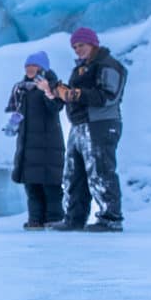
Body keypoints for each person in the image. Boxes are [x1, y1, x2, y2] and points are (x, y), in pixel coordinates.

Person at [48, 27, 128, 232]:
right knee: (75, 174)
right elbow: (81, 93)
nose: (77, 50)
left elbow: (107, 96)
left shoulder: (108, 65)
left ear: (93, 43)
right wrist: (60, 91)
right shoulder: (82, 68)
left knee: (101, 170)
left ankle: (111, 218)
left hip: (100, 124)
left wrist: (73, 94)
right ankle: (74, 217)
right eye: (74, 47)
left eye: (81, 45)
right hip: (80, 124)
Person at [3, 51, 65, 229]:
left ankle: (54, 219)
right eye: (27, 66)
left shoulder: (53, 86)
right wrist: (13, 123)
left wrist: (47, 90)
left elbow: (56, 107)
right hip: (27, 145)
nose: (30, 69)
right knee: (32, 186)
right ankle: (35, 220)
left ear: (43, 68)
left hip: (48, 146)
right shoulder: (22, 89)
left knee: (50, 185)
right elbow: (19, 112)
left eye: (34, 66)